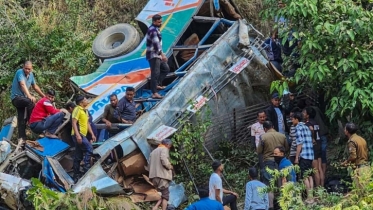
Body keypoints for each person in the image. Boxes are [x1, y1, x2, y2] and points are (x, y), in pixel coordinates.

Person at [257, 121, 288, 209]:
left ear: (265, 129)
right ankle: (282, 204)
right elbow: (286, 148)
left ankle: (270, 206)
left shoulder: (263, 137)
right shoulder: (282, 136)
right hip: (280, 162)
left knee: (269, 185)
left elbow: (259, 151)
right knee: (281, 183)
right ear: (273, 126)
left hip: (268, 162)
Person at [11, 61, 45, 140]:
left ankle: (22, 141)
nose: (27, 70)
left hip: (23, 100)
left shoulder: (31, 75)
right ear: (23, 67)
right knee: (30, 102)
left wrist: (44, 96)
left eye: (29, 69)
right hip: (16, 98)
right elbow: (22, 84)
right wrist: (29, 96)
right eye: (26, 68)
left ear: (31, 69)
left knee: (21, 120)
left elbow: (35, 87)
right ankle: (31, 121)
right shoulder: (19, 72)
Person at [71, 95, 96, 182]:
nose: (87, 100)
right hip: (78, 134)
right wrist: (77, 135)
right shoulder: (77, 109)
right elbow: (74, 122)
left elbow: (88, 124)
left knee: (78, 155)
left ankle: (76, 175)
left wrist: (92, 134)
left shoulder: (85, 111)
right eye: (85, 99)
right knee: (89, 148)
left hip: (82, 135)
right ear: (81, 102)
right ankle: (86, 169)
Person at [146, 14, 170, 99]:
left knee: (165, 69)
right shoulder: (152, 30)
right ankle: (154, 93)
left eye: (161, 21)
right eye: (159, 22)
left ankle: (156, 85)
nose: (161, 23)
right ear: (154, 22)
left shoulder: (156, 29)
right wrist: (162, 55)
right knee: (155, 73)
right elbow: (156, 45)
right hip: (154, 55)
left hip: (157, 54)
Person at [292, 112, 314, 204]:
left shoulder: (298, 128)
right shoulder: (306, 126)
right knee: (309, 176)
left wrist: (296, 157)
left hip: (304, 155)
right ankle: (311, 196)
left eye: (292, 119)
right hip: (310, 155)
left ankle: (310, 198)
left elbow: (299, 143)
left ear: (297, 119)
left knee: (305, 176)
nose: (291, 121)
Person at [341, 123, 369, 190]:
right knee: (366, 190)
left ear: (347, 131)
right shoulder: (361, 139)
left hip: (359, 168)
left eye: (345, 129)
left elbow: (353, 156)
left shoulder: (352, 141)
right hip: (366, 167)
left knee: (359, 190)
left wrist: (346, 162)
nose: (344, 130)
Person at [149, 139, 174, 210]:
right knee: (166, 195)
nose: (169, 147)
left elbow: (149, 164)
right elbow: (164, 160)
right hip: (162, 176)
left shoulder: (153, 152)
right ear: (167, 144)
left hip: (154, 177)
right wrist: (170, 166)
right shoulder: (164, 149)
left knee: (164, 194)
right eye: (170, 146)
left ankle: (155, 207)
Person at [303, 107, 324, 187]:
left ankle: (318, 189)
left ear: (308, 115)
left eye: (304, 113)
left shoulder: (308, 124)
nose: (303, 114)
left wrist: (312, 138)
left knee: (315, 170)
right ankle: (322, 187)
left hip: (313, 147)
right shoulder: (315, 123)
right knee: (320, 168)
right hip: (319, 145)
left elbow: (311, 130)